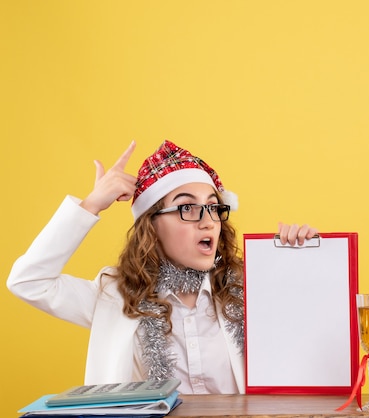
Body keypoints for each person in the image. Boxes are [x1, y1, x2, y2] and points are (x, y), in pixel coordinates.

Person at [7, 140, 318, 394]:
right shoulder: (114, 297)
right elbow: (28, 281)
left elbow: (316, 338)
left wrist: (303, 260)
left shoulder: (251, 286)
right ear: (152, 227)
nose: (208, 220)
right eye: (187, 207)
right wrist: (91, 204)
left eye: (213, 206)